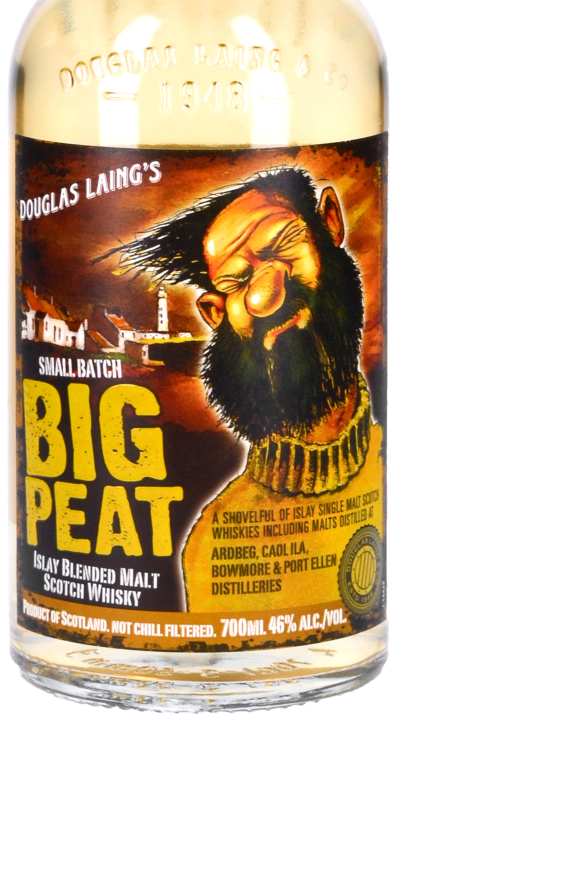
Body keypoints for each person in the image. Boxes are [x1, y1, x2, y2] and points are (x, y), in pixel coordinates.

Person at [113, 167, 384, 618]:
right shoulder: (209, 545)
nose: (264, 298)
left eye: (280, 247)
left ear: (330, 223)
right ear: (215, 313)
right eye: (237, 283)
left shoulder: (388, 469)